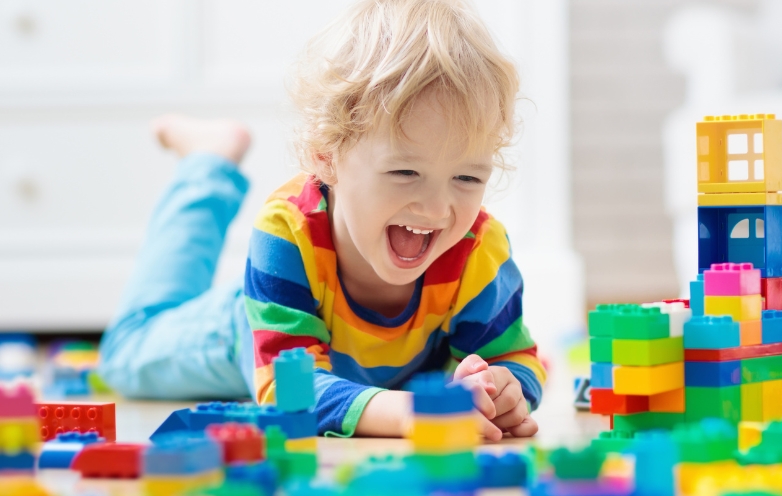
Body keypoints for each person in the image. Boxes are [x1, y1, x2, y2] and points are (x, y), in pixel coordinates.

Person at [98, 0, 545, 441]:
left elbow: (516, 357)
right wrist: (413, 413)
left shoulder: (478, 250)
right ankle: (208, 165)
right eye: (405, 172)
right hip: (247, 326)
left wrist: (505, 389)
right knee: (127, 352)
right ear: (326, 157)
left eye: (467, 177)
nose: (436, 208)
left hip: (346, 366)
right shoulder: (287, 233)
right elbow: (289, 390)